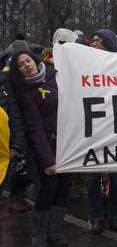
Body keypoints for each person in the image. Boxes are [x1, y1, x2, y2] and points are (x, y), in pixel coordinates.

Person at [10, 48, 69, 247]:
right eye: (21, 65)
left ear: (34, 60)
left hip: (67, 143)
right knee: (48, 188)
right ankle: (39, 234)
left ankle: (55, 231)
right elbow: (35, 127)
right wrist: (48, 160)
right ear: (18, 72)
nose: (26, 65)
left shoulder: (56, 75)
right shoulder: (24, 93)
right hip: (43, 148)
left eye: (28, 60)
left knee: (64, 187)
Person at [87, 29, 117, 234]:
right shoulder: (83, 65)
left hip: (115, 127)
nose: (92, 43)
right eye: (92, 40)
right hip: (92, 129)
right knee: (93, 177)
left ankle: (115, 215)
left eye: (97, 41)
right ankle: (95, 217)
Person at [1, 41, 34, 213]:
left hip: (24, 128)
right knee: (17, 167)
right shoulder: (7, 79)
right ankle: (13, 200)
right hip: (13, 130)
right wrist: (16, 139)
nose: (25, 65)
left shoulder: (21, 78)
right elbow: (11, 110)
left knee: (24, 168)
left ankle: (19, 197)